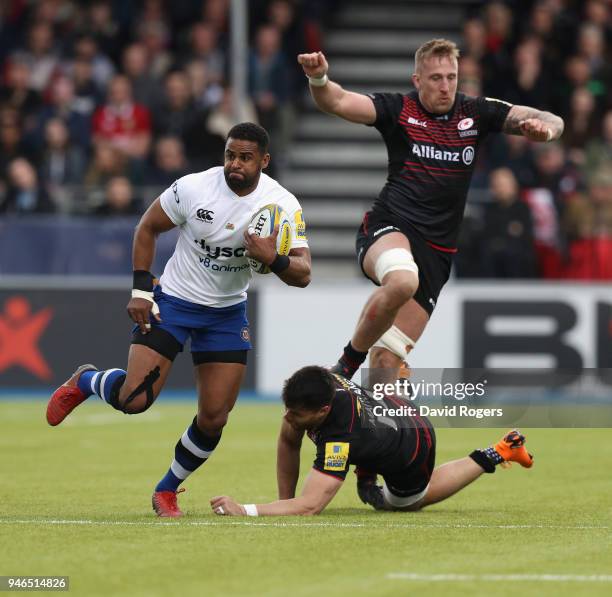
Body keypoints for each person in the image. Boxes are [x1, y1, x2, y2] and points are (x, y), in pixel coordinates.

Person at [297, 38, 562, 507]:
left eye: (451, 78)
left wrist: (545, 130)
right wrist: (319, 77)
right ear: (417, 79)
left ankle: (370, 471)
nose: (444, 86)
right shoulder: (398, 110)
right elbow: (336, 101)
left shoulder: (475, 113)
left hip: (438, 254)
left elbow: (551, 119)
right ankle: (344, 365)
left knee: (388, 368)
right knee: (402, 279)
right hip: (388, 228)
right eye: (435, 78)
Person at [46, 122, 311, 517]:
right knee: (134, 400)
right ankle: (86, 380)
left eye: (245, 157)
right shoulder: (194, 187)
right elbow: (147, 227)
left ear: (264, 161)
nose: (234, 164)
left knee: (215, 417)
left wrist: (273, 258)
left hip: (226, 313)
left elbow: (303, 274)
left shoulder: (282, 205)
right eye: (230, 155)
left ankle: (166, 490)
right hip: (175, 302)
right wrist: (140, 291)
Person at [209, 366, 533, 517]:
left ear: (323, 410)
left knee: (399, 504)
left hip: (414, 444)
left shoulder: (338, 438)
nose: (288, 418)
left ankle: (500, 450)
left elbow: (310, 506)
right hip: (390, 411)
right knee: (364, 445)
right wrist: (283, 503)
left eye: (297, 415)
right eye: (288, 409)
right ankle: (400, 386)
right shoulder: (322, 381)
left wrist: (247, 510)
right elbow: (288, 441)